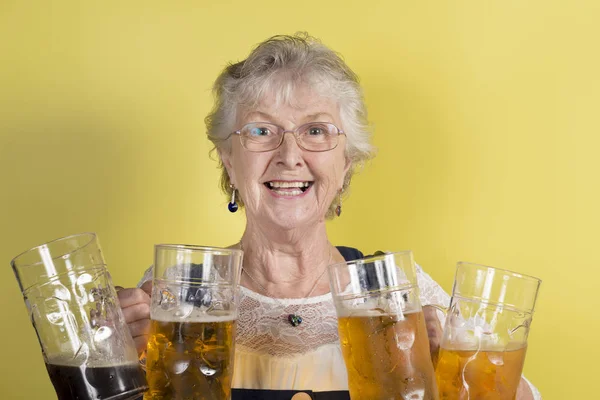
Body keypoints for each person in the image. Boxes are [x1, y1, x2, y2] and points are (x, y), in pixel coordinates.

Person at [117, 33, 541, 399]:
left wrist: (456, 368)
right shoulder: (177, 292)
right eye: (261, 131)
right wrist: (114, 360)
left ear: (347, 163)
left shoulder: (399, 294)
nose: (289, 157)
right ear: (228, 159)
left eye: (315, 131)